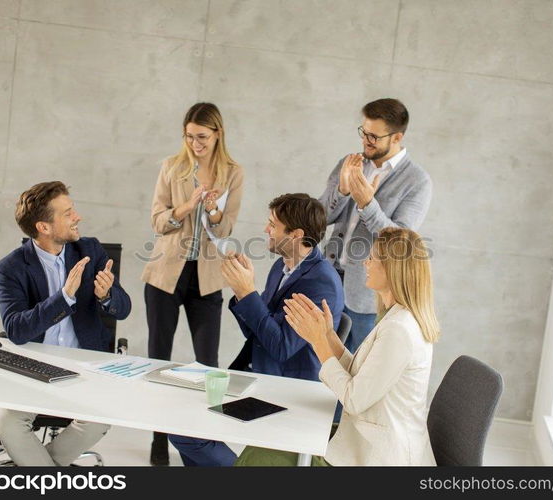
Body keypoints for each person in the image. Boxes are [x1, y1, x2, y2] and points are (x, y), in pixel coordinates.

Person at [236, 227, 439, 466]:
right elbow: (362, 376)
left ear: (392, 269)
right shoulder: (395, 319)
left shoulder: (399, 331)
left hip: (375, 455)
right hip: (361, 439)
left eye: (372, 258)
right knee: (267, 442)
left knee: (260, 457)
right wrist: (327, 335)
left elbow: (353, 399)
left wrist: (319, 342)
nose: (365, 262)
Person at [169, 193, 345, 466]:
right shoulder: (282, 266)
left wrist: (247, 291)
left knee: (187, 435)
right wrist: (242, 293)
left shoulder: (321, 283)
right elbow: (258, 332)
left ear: (296, 235)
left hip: (288, 392)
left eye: (273, 225)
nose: (266, 230)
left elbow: (281, 347)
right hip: (258, 374)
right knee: (184, 424)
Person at [0, 181, 132, 466]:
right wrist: (64, 297)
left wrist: (107, 295)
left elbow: (124, 308)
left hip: (84, 366)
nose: (77, 216)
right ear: (44, 227)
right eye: (68, 213)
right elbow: (17, 330)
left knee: (99, 417)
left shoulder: (89, 250)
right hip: (31, 365)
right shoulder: (10, 269)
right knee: (7, 422)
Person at [140, 102, 244, 465]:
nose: (195, 144)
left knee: (209, 364)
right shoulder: (172, 167)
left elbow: (226, 227)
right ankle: (158, 438)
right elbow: (157, 220)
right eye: (189, 136)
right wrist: (187, 206)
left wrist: (214, 209)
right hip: (165, 276)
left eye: (202, 137)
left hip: (206, 277)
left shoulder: (232, 172)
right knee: (159, 359)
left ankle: (203, 442)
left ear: (217, 134)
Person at [319, 98, 432, 355]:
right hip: (330, 279)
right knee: (321, 364)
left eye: (374, 136)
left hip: (369, 293)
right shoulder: (349, 163)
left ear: (397, 137)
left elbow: (399, 240)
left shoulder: (417, 182)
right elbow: (320, 217)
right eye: (364, 132)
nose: (366, 141)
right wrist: (343, 190)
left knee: (358, 369)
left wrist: (367, 203)